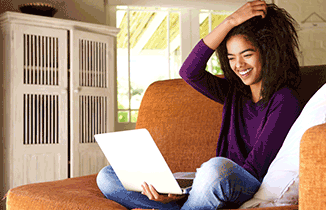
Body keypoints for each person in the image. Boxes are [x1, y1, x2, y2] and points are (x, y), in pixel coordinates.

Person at [96, 1, 302, 209]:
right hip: (210, 181)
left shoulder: (284, 100)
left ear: (267, 53)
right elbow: (189, 71)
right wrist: (229, 22)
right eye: (231, 57)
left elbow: (254, 168)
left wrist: (192, 189)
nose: (238, 65)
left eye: (247, 54)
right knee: (107, 176)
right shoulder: (234, 92)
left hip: (244, 182)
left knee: (215, 167)